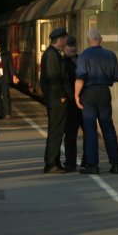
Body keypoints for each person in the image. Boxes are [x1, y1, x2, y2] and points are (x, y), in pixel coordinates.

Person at [75, 27, 118, 174]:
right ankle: (115, 165)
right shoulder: (110, 55)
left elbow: (80, 78)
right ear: (100, 40)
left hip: (88, 94)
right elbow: (117, 76)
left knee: (90, 129)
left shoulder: (83, 56)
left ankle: (92, 165)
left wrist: (77, 95)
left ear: (89, 40)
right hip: (104, 92)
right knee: (108, 127)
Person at [40, 28, 70, 174]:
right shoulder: (52, 55)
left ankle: (55, 161)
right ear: (59, 40)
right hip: (56, 100)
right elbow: (54, 78)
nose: (66, 41)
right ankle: (51, 164)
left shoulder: (52, 54)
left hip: (54, 99)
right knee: (56, 131)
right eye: (65, 39)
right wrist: (62, 95)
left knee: (56, 131)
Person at [62, 36, 81, 172]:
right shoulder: (62, 63)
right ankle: (70, 163)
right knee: (70, 135)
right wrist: (71, 97)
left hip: (82, 103)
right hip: (70, 104)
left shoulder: (82, 59)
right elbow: (64, 83)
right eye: (69, 45)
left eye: (74, 45)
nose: (72, 48)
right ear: (64, 47)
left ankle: (87, 161)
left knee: (88, 133)